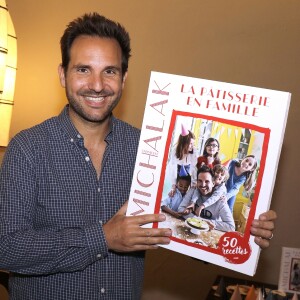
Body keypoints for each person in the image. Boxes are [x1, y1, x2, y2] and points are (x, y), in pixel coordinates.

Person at [0, 12, 276, 300]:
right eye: (83, 69)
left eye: (110, 71)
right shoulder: (28, 148)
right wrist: (103, 238)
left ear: (124, 77)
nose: (97, 84)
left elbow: (180, 234)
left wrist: (240, 235)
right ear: (62, 74)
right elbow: (5, 247)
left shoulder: (147, 149)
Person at [178, 166, 235, 232]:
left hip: (210, 233)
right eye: (200, 181)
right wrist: (201, 220)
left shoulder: (220, 199)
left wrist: (205, 222)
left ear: (213, 183)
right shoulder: (194, 190)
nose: (203, 185)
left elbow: (231, 227)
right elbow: (181, 209)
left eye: (207, 181)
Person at [166, 123, 198, 197]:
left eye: (193, 144)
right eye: (190, 144)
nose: (192, 146)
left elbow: (193, 167)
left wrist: (193, 182)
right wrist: (174, 184)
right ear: (183, 143)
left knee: (186, 191)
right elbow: (173, 167)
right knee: (176, 192)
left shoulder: (193, 151)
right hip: (177, 171)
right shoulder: (175, 151)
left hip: (188, 172)